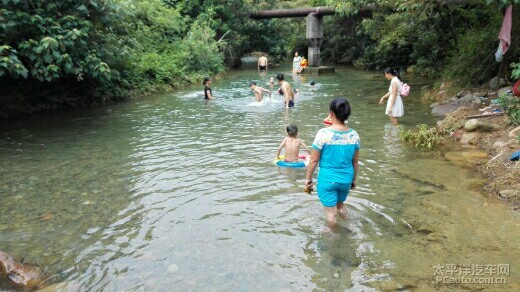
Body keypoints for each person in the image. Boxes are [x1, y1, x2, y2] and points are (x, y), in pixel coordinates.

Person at [305, 98, 360, 231]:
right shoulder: (354, 135)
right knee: (340, 205)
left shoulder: (323, 134)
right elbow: (355, 162)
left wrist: (308, 179)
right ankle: (351, 226)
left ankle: (334, 238)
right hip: (346, 178)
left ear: (331, 113)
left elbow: (313, 160)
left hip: (328, 179)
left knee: (331, 214)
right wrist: (353, 180)